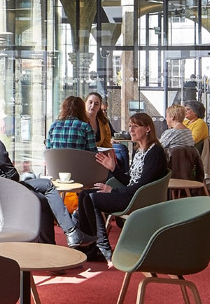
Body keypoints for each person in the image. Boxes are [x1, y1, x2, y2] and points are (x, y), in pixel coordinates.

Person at [0, 102, 87, 247]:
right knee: (47, 187)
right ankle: (70, 232)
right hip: (5, 192)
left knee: (43, 196)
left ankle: (68, 235)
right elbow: (13, 177)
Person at [72, 112, 169, 264]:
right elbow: (131, 180)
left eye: (135, 126)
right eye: (130, 126)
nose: (131, 130)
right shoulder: (138, 151)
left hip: (137, 198)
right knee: (85, 195)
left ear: (148, 128)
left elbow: (142, 185)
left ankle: (103, 249)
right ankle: (90, 244)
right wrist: (113, 168)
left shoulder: (154, 152)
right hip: (131, 193)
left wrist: (113, 191)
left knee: (92, 198)